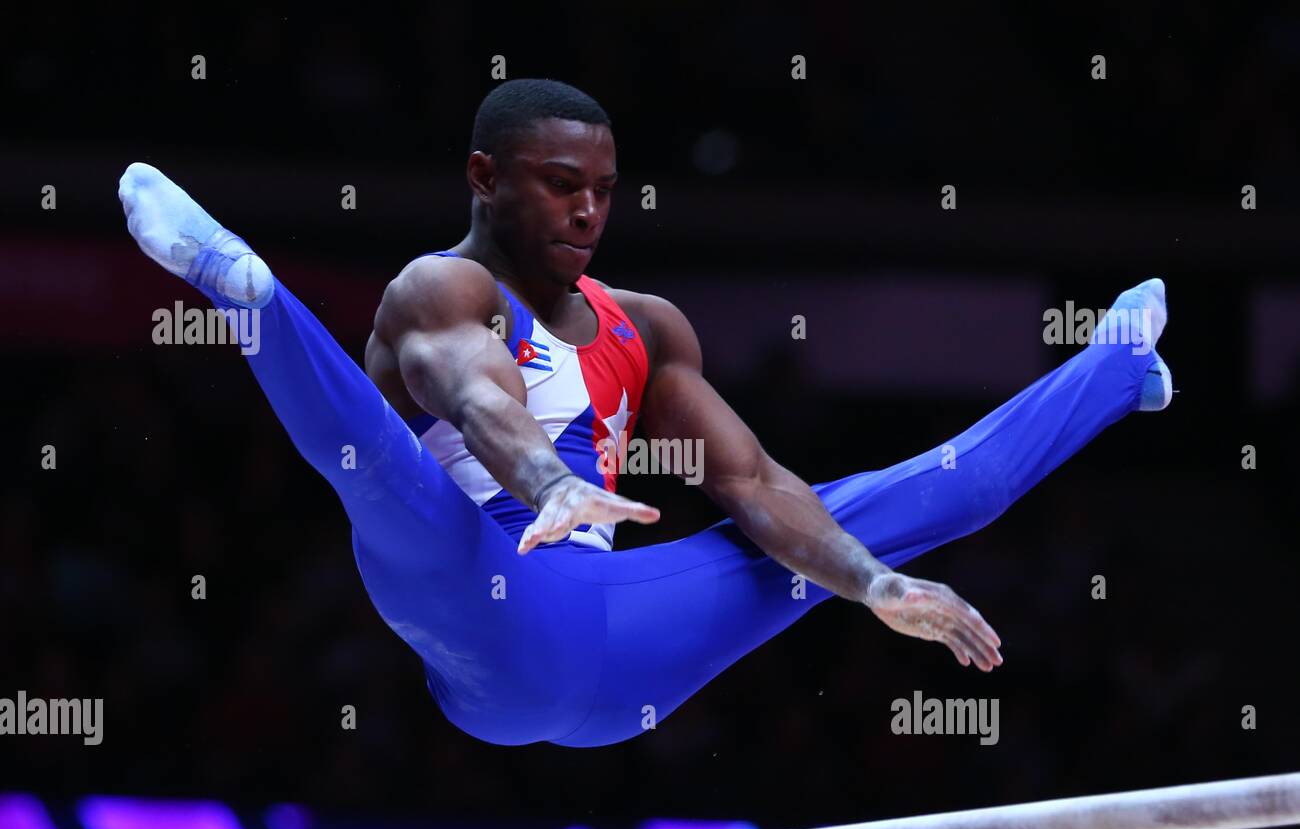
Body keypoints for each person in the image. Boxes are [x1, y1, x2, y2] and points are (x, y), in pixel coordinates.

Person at [117, 79, 1172, 748]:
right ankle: (242, 289)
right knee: (379, 468)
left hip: (624, 640)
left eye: (604, 189)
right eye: (558, 183)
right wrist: (551, 483)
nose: (585, 211)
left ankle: (1117, 370)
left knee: (873, 517)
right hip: (481, 608)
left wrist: (867, 584)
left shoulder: (648, 327)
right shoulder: (437, 293)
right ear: (483, 179)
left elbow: (751, 483)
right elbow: (478, 391)